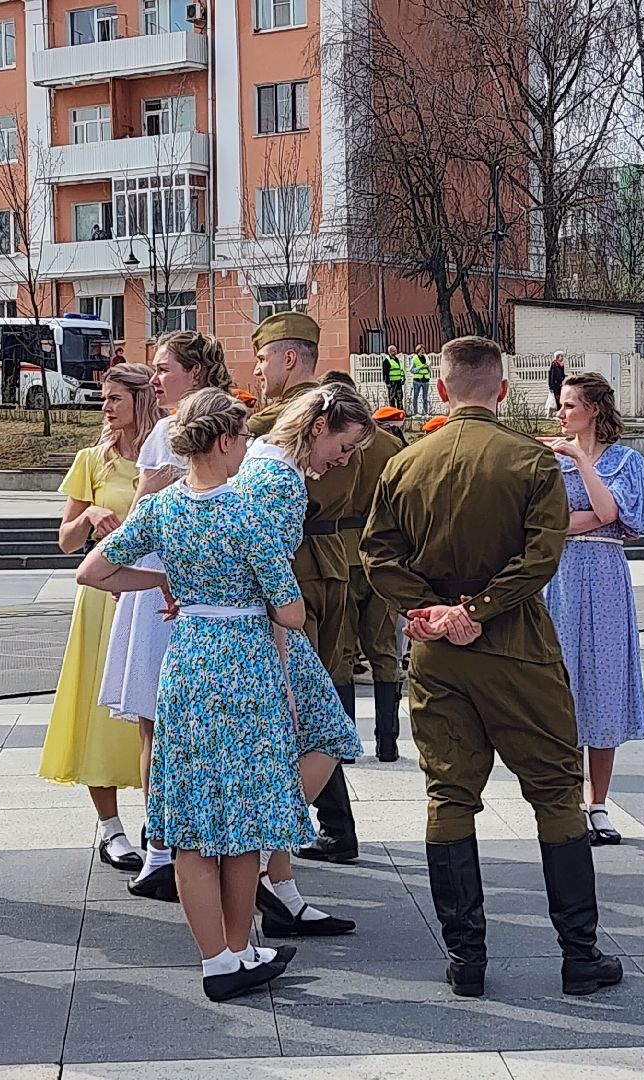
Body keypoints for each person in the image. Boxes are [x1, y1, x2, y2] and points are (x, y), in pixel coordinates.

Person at [361, 335, 624, 999]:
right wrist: (477, 607)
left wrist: (432, 610)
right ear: (501, 390)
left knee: (450, 796)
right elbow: (542, 557)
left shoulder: (406, 462)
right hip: (517, 647)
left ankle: (466, 959)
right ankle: (579, 956)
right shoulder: (531, 463)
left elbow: (377, 555)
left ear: (442, 390)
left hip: (438, 655)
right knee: (557, 793)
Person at [76, 388, 306, 1002]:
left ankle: (222, 958)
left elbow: (91, 571)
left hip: (187, 665)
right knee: (243, 817)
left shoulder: (161, 508)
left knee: (190, 819)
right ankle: (233, 952)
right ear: (227, 441)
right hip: (244, 666)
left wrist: (165, 579)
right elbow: (290, 611)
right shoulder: (248, 513)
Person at [226, 382, 372, 938]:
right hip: (269, 632)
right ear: (318, 427)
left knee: (294, 747)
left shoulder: (258, 456)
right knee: (330, 737)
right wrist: (283, 663)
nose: (344, 459)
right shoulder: (283, 482)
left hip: (244, 626)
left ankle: (281, 887)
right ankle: (266, 866)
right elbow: (270, 575)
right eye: (345, 445)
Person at [98, 333, 232, 901]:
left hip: (173, 591)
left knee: (166, 724)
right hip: (173, 589)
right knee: (166, 724)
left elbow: (147, 516)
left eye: (164, 368)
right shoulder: (190, 426)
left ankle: (168, 848)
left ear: (195, 371)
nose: (155, 378)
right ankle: (169, 846)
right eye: (152, 370)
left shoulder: (176, 431)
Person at [247, 312, 366, 864]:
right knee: (318, 705)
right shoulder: (359, 425)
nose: (259, 368)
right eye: (343, 450)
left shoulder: (262, 436)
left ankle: (280, 845)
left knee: (302, 712)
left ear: (288, 358)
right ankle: (294, 843)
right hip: (330, 568)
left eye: (265, 358)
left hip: (294, 580)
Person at [39, 362, 160, 873]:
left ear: (140, 401)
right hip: (100, 601)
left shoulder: (165, 458)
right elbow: (65, 541)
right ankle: (110, 828)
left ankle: (161, 826)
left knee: (151, 715)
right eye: (104, 398)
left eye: (115, 397)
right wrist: (86, 517)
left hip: (153, 598)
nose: (106, 406)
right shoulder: (93, 461)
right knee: (96, 711)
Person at [543, 373, 644, 844]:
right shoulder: (551, 461)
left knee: (603, 684)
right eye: (561, 405)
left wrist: (582, 462)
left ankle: (599, 803)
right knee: (559, 683)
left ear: (593, 409)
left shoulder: (626, 460)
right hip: (561, 575)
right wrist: (577, 518)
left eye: (569, 406)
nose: (561, 414)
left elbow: (617, 516)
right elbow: (545, 523)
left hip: (605, 575)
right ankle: (566, 800)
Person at [341, 402, 409, 761]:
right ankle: (387, 743)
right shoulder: (389, 444)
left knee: (342, 651)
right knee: (384, 648)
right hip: (382, 554)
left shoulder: (335, 439)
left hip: (337, 550)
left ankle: (347, 744)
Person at [409, 346, 433, 416]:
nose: (423, 351)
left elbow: (429, 368)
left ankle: (425, 412)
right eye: (422, 350)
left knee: (425, 397)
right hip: (417, 380)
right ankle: (415, 413)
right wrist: (420, 367)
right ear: (418, 350)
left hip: (425, 379)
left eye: (424, 350)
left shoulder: (426, 357)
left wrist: (428, 367)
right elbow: (411, 370)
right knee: (415, 396)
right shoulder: (414, 358)